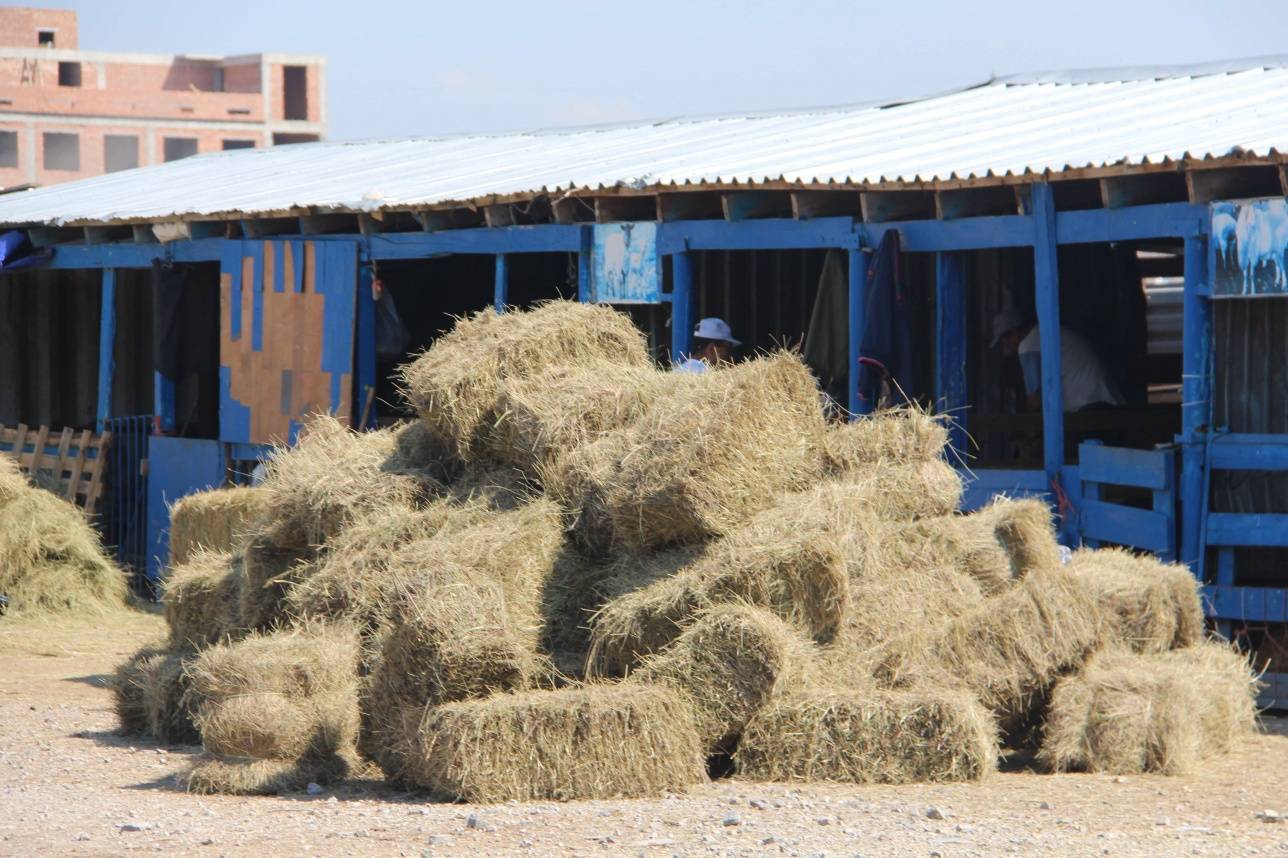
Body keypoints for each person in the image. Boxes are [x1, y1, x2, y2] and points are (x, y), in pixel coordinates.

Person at [991, 308, 1124, 412]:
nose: (1006, 345)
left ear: (1014, 332)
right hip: (1106, 399)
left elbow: (1034, 400)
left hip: (1090, 407)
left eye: (1005, 338)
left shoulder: (1028, 345)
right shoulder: (1047, 333)